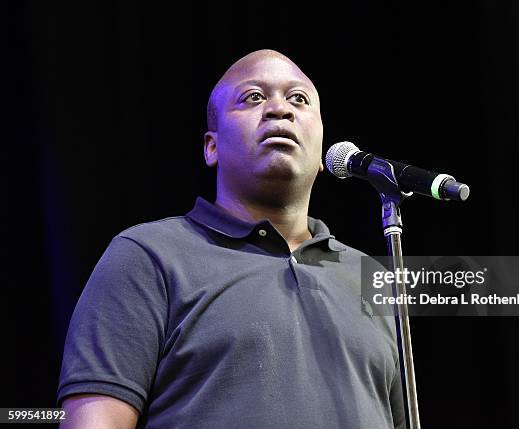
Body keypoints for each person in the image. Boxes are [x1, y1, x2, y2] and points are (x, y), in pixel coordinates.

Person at [58, 49, 406, 429]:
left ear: (322, 153)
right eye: (254, 97)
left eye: (299, 99)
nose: (280, 110)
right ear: (212, 146)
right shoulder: (148, 256)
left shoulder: (372, 277)